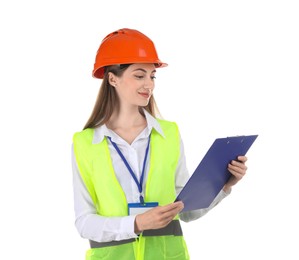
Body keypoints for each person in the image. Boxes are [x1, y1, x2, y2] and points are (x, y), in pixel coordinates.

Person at [71, 28, 248, 260]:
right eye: (139, 75)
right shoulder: (85, 143)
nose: (149, 84)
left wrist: (223, 185)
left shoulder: (169, 134)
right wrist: (136, 223)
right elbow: (84, 222)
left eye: (152, 75)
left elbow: (186, 211)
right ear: (112, 78)